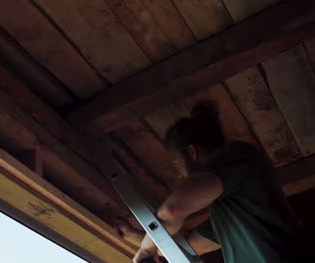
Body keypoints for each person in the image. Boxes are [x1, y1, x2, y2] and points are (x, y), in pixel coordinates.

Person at [121, 102, 313, 263]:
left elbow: (171, 210)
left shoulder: (239, 154)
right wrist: (132, 235)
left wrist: (146, 247)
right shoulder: (226, 214)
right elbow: (191, 247)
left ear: (191, 152)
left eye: (176, 164)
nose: (179, 175)